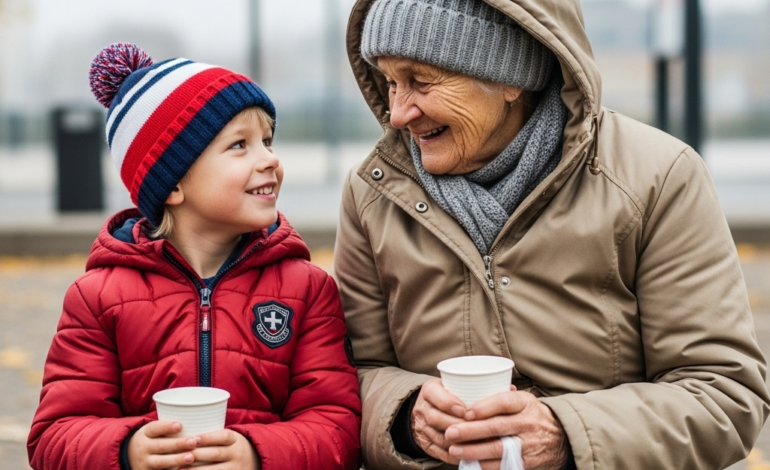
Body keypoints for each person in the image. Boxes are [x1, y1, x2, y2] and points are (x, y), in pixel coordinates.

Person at [334, 0, 770, 469]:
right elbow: (344, 379)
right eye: (390, 82)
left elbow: (724, 393)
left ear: (509, 77)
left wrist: (566, 434)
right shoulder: (371, 194)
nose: (398, 113)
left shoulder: (659, 178)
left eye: (420, 81)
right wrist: (405, 413)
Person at [27, 43, 361, 470]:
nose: (270, 160)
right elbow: (53, 438)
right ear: (171, 185)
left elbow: (338, 429)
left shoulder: (307, 290)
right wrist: (128, 450)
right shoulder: (97, 298)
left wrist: (257, 454)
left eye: (267, 141)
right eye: (240, 145)